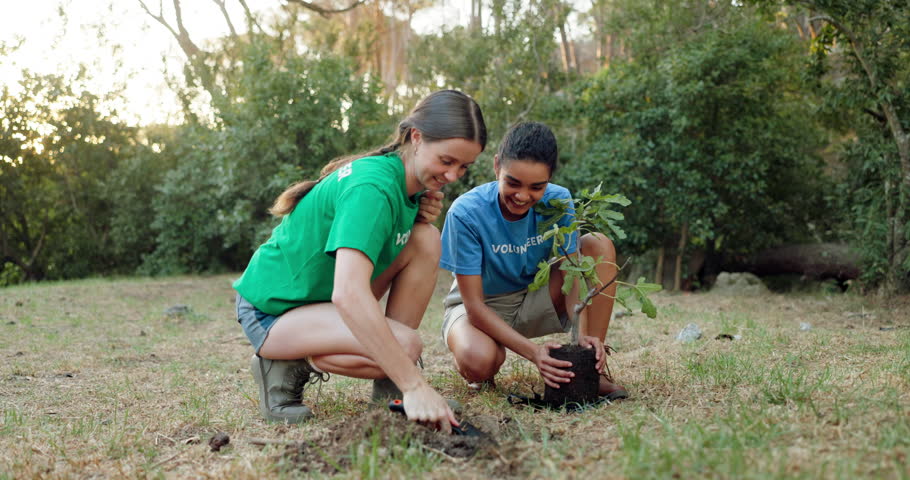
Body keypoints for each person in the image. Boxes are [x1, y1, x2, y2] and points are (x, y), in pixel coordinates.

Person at [233, 90, 487, 432]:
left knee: (426, 238)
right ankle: (284, 364)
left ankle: (390, 389)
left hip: (318, 302)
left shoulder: (406, 186)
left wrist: (414, 215)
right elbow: (349, 294)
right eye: (446, 160)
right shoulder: (372, 188)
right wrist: (416, 385)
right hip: (272, 311)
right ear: (416, 137)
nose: (453, 175)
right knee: (406, 346)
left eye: (463, 166)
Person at [439, 121, 628, 400]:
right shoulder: (466, 213)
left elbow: (571, 273)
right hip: (481, 307)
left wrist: (582, 336)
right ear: (496, 166)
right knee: (478, 360)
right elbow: (475, 308)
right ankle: (479, 363)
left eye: (537, 187)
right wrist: (534, 353)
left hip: (533, 296)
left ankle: (593, 371)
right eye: (513, 183)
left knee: (597, 244)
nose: (522, 196)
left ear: (549, 179)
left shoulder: (559, 201)